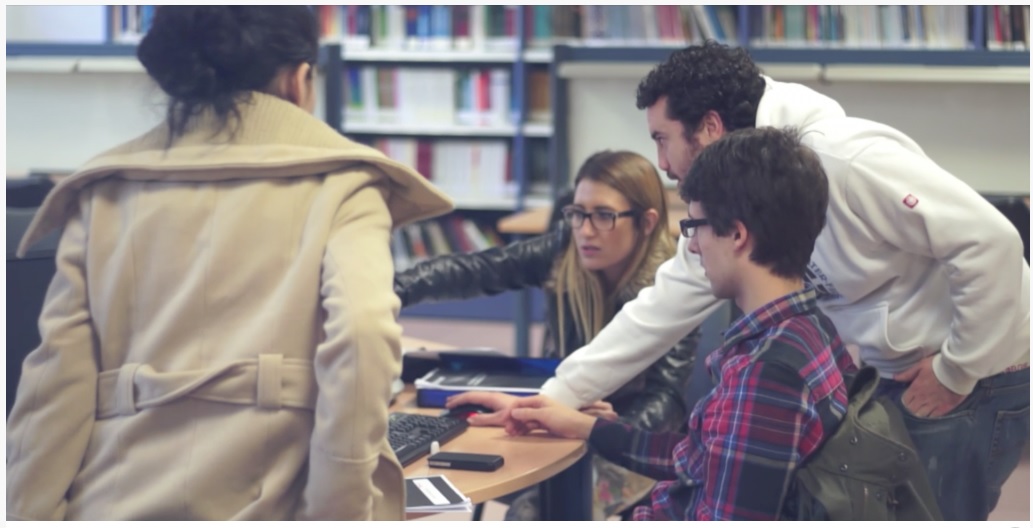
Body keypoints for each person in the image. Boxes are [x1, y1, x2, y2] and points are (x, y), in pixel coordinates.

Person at [500, 40, 1030, 522]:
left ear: (708, 128)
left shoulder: (843, 157)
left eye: (663, 140)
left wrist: (957, 370)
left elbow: (993, 243)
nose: (661, 164)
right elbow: (661, 306)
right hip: (899, 370)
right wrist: (557, 398)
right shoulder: (736, 198)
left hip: (977, 367)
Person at [6, 6, 452, 521]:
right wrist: (339, 509)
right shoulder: (344, 189)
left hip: (111, 501)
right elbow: (361, 337)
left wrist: (29, 513)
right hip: (271, 503)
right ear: (299, 78)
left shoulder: (103, 194)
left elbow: (53, 387)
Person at [508, 126, 857, 520]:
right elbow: (698, 457)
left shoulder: (768, 374)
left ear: (737, 235)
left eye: (694, 227)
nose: (691, 245)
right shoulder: (809, 331)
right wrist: (585, 427)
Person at [395, 150, 700, 520]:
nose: (585, 230)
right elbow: (478, 269)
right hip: (557, 417)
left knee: (533, 512)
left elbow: (665, 402)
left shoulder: (673, 290)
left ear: (647, 222)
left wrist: (601, 426)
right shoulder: (564, 252)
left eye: (604, 216)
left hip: (626, 441)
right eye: (577, 213)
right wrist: (392, 289)